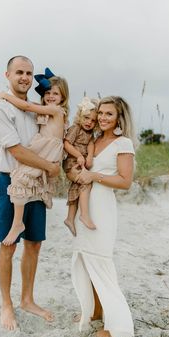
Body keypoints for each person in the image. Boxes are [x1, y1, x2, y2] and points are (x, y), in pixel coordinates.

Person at [0, 56, 61, 331]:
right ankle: (7, 305)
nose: (25, 77)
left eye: (29, 73)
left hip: (37, 184)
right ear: (7, 74)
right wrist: (51, 168)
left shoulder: (36, 109)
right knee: (8, 245)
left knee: (34, 243)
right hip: (11, 182)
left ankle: (27, 299)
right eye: (19, 72)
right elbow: (16, 150)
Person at [71, 96, 137, 337]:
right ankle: (95, 311)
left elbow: (125, 181)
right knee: (87, 262)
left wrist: (93, 176)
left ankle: (116, 325)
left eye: (109, 114)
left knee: (101, 262)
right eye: (101, 113)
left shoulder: (123, 143)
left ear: (119, 117)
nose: (102, 117)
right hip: (85, 207)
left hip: (103, 208)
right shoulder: (95, 140)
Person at [0, 69, 69, 246]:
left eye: (55, 93)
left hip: (47, 150)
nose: (51, 96)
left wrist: (6, 96)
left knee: (21, 178)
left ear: (63, 96)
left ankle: (17, 223)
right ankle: (19, 222)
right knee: (26, 179)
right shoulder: (47, 110)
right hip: (43, 148)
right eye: (48, 93)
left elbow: (27, 107)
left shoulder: (56, 110)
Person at [63, 97, 98, 236]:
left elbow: (91, 145)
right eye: (86, 118)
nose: (89, 122)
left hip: (81, 163)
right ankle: (84, 215)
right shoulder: (75, 128)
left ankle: (70, 219)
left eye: (93, 120)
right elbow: (66, 143)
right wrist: (79, 155)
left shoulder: (90, 134)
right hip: (72, 164)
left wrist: (89, 156)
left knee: (76, 188)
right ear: (80, 116)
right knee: (86, 184)